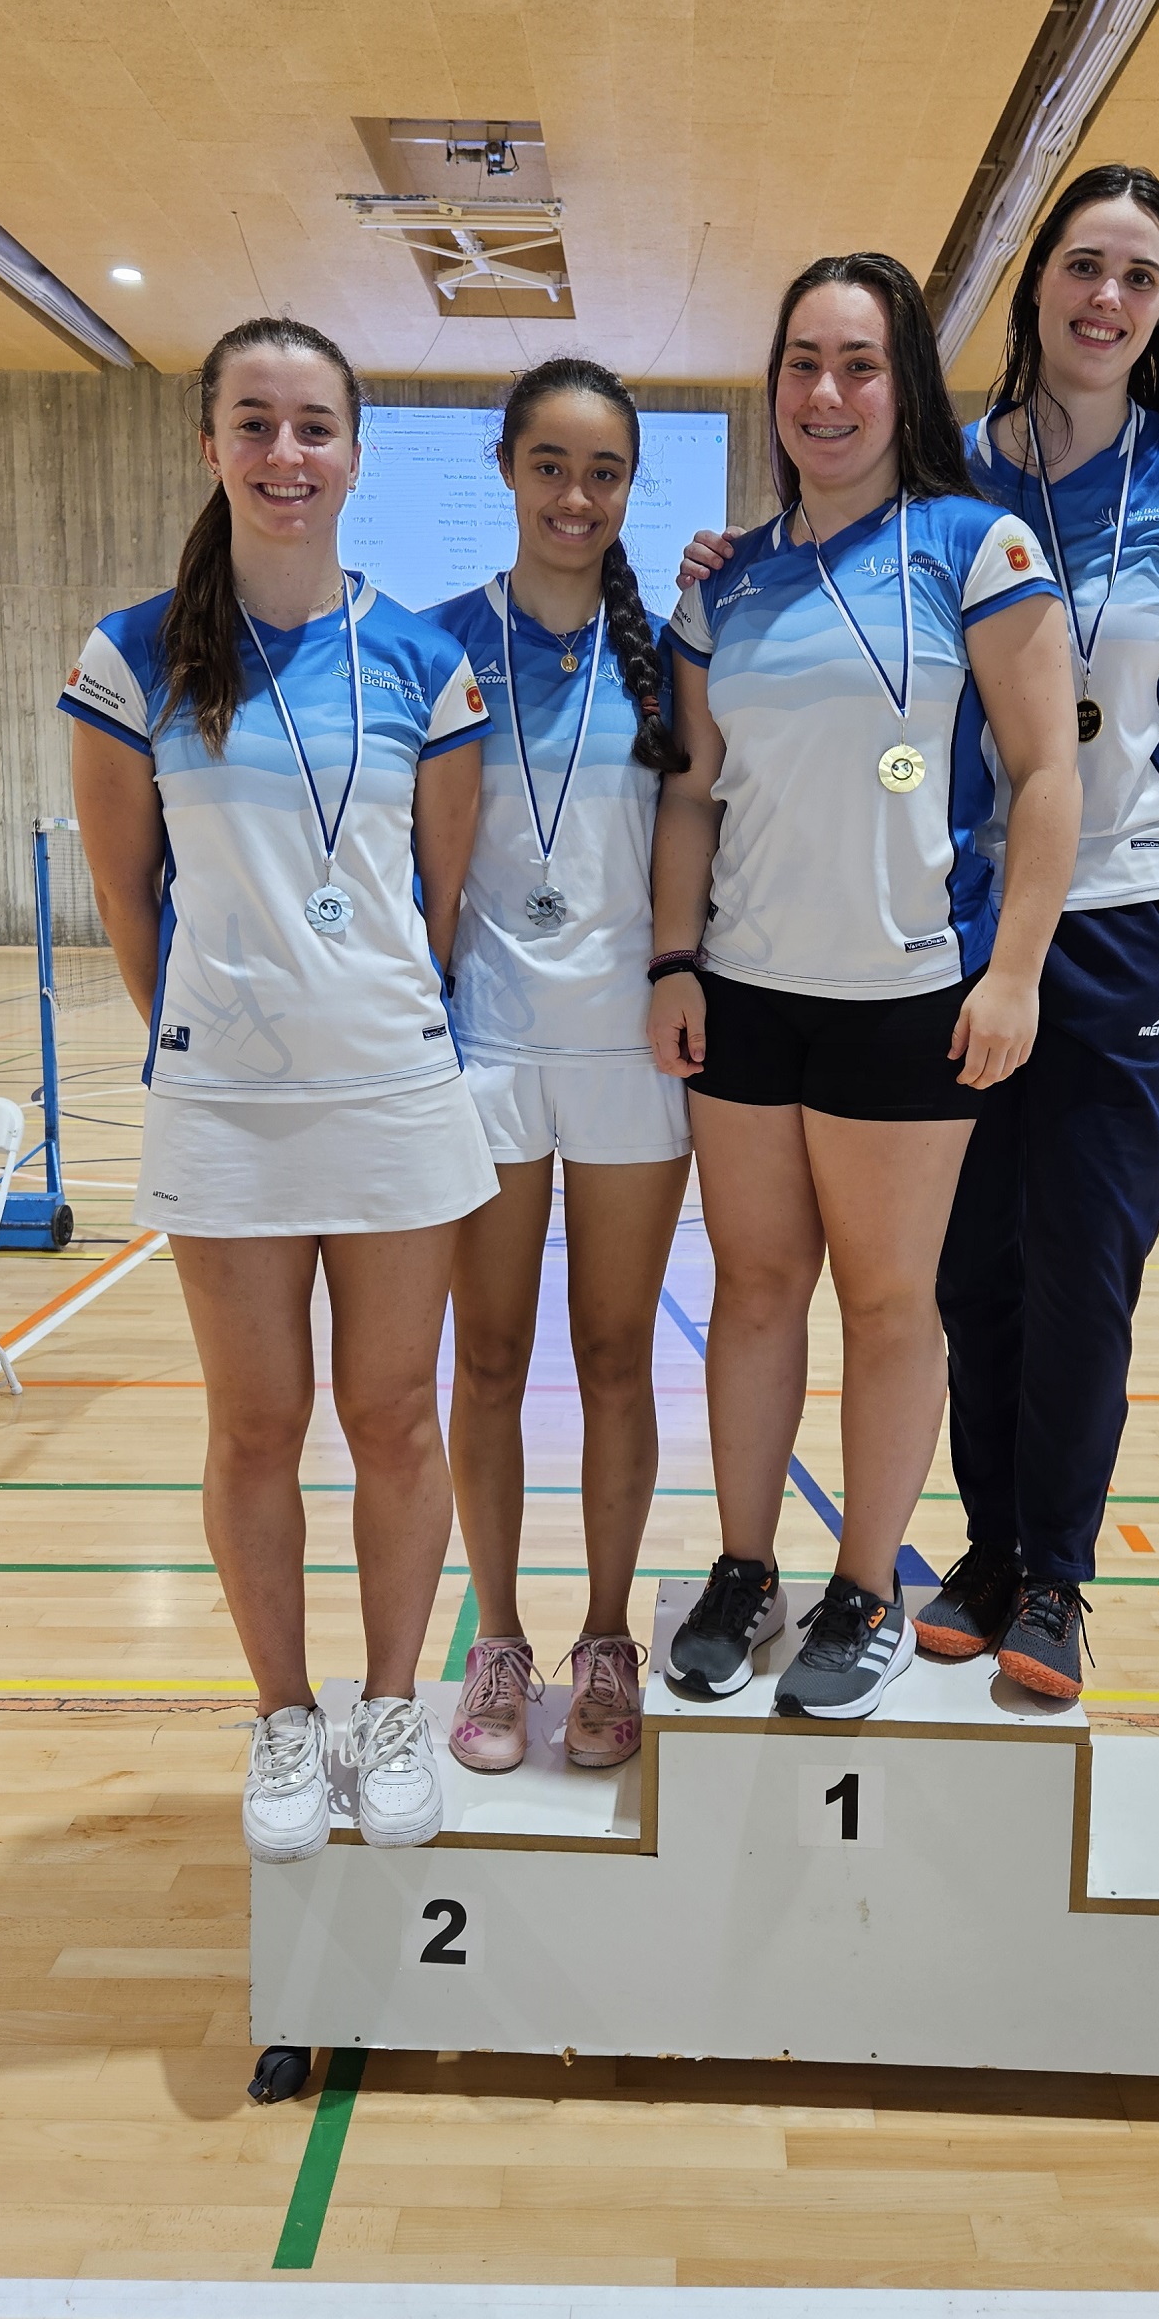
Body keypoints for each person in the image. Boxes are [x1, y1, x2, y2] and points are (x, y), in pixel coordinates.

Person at [61, 315, 497, 1860]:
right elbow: (128, 900)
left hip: (391, 1094)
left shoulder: (425, 659)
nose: (285, 455)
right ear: (210, 448)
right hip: (225, 1107)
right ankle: (281, 1717)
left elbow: (436, 899)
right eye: (255, 424)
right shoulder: (131, 657)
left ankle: (391, 1710)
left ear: (358, 455)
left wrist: (359, 1017)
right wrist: (223, 1032)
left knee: (392, 1419)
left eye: (314, 427)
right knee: (256, 1427)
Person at [651, 252, 1080, 1721]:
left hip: (908, 997)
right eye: (800, 365)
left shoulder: (980, 548)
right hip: (750, 994)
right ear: (771, 388)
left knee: (891, 1301)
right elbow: (694, 795)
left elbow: (1046, 778)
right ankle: (747, 1566)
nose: (825, 395)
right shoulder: (733, 584)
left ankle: (865, 1585)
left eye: (858, 365)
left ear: (904, 387)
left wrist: (1014, 970)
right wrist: (673, 960)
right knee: (757, 1291)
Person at [914, 163, 1159, 1698]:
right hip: (952, 924)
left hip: (1125, 921)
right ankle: (988, 1544)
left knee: (1089, 1267)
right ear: (1037, 286)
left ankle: (1059, 1574)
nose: (1108, 299)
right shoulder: (948, 479)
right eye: (1084, 266)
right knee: (969, 1272)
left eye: (1139, 276)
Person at [424, 361, 693, 1776]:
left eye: (602, 472)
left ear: (628, 488)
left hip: (628, 1053)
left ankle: (602, 1637)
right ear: (509, 470)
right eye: (549, 465)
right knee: (491, 1359)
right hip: (485, 1048)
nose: (575, 496)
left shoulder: (668, 647)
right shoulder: (437, 642)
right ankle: (499, 1641)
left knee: (611, 1357)